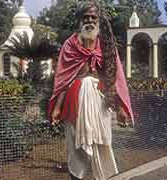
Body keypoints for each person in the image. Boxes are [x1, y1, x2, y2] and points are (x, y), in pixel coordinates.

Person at [48, 1, 134, 180]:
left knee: (104, 145)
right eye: (85, 17)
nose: (89, 20)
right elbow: (63, 80)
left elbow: (114, 80)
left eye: (93, 17)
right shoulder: (70, 45)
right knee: (76, 151)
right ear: (79, 20)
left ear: (99, 20)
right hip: (74, 105)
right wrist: (57, 108)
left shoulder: (107, 46)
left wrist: (119, 108)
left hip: (101, 102)